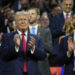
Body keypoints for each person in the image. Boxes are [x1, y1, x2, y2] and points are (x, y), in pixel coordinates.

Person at [28, 7, 52, 75]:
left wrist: (39, 40)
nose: (30, 15)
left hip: (42, 68)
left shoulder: (46, 31)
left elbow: (50, 48)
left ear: (38, 16)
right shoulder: (23, 32)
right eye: (28, 14)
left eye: (32, 13)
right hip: (28, 67)